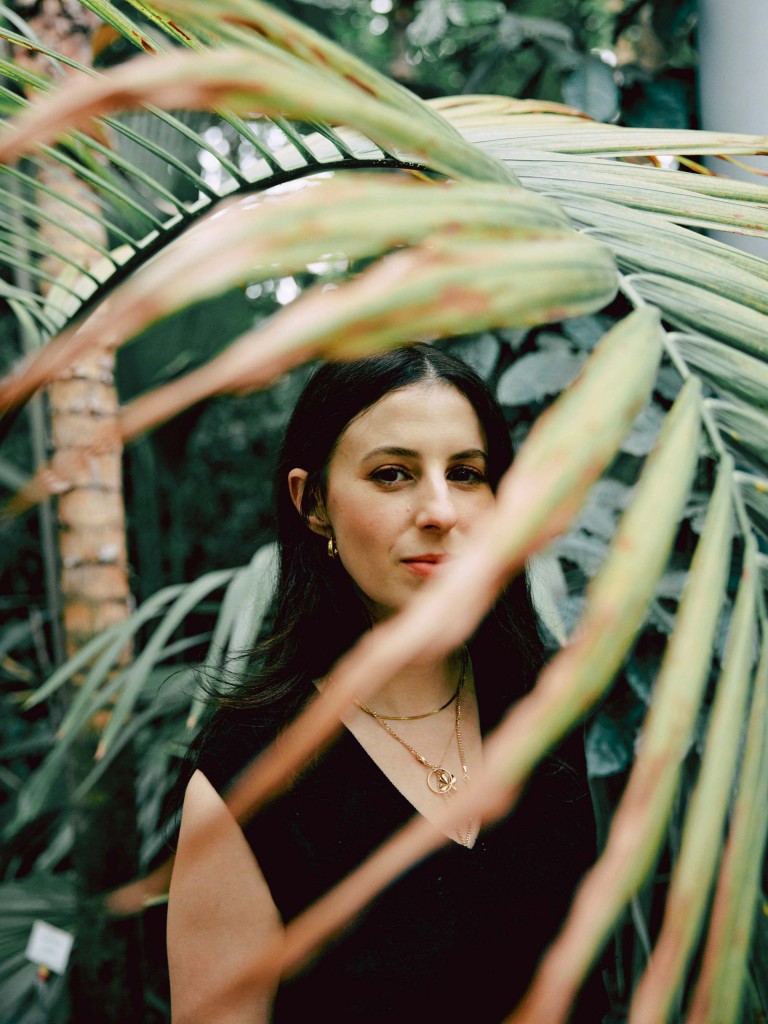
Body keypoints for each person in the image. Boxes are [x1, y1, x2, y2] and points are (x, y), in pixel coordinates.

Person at [166, 344, 606, 1023]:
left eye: (466, 473)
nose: (440, 511)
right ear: (312, 504)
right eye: (394, 474)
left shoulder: (553, 713)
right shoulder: (248, 784)